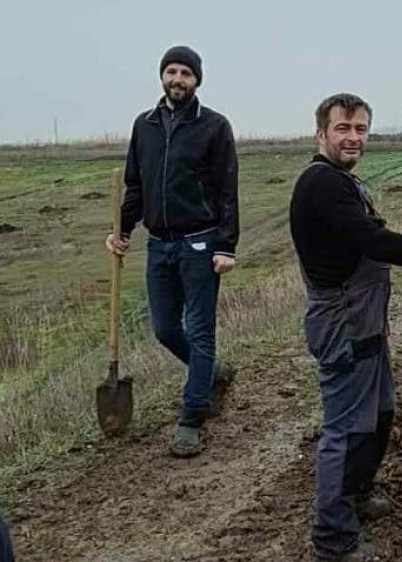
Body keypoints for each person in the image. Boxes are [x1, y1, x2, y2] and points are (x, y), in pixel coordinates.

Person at [290, 93, 402, 562]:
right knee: (346, 430)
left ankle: (355, 495)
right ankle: (332, 538)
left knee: (381, 414)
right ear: (321, 135)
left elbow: (363, 239)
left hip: (364, 320)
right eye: (343, 129)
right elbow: (370, 238)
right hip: (343, 323)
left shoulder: (342, 184)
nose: (353, 138)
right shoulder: (321, 184)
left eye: (361, 129)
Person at [105, 45, 239, 457]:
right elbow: (136, 185)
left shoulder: (214, 126)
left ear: (197, 80)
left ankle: (191, 418)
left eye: (186, 73)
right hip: (159, 245)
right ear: (162, 76)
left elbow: (227, 190)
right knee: (164, 328)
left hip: (200, 243)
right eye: (171, 72)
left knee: (200, 332)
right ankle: (211, 374)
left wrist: (227, 246)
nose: (178, 79)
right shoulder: (144, 125)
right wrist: (123, 229)